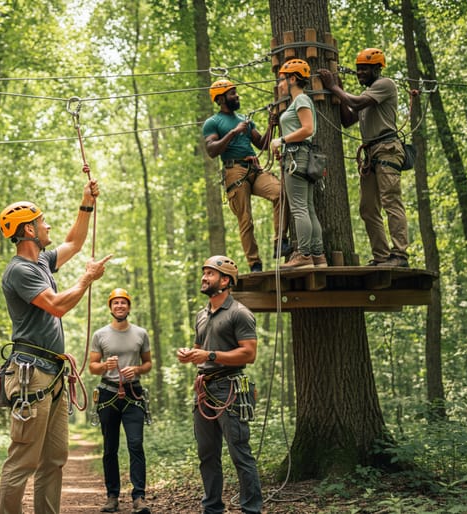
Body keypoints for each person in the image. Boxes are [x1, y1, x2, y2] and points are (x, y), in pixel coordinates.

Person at [0, 175, 112, 514]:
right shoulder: (20, 271)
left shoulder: (42, 263)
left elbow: (74, 243)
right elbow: (57, 305)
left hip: (53, 374)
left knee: (54, 459)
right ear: (29, 230)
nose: (47, 226)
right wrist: (86, 279)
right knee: (22, 460)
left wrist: (85, 202)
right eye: (42, 221)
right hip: (32, 375)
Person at [177, 256, 262, 514]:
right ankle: (212, 508)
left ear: (225, 281)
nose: (204, 278)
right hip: (204, 390)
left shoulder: (239, 313)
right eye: (204, 273)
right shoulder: (201, 315)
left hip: (230, 389)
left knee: (240, 453)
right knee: (207, 454)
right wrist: (190, 354)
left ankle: (251, 509)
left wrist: (210, 356)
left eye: (210, 274)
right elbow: (200, 349)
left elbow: (249, 354)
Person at [317, 48, 409, 267]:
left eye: (365, 69)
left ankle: (400, 255)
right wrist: (338, 94)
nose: (360, 73)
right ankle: (382, 256)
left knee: (391, 202)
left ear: (378, 68)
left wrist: (333, 87)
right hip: (371, 154)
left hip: (387, 149)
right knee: (368, 208)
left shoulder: (384, 85)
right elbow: (348, 119)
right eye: (358, 70)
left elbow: (356, 103)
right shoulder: (368, 95)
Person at [203, 79, 290, 273]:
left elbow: (262, 143)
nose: (237, 96)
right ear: (221, 98)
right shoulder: (213, 122)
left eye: (235, 92)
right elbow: (211, 150)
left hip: (254, 168)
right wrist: (234, 133)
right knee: (245, 219)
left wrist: (271, 126)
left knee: (281, 193)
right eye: (232, 93)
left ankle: (280, 242)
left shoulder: (244, 119)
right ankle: (255, 264)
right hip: (234, 171)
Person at [89, 288, 152, 514]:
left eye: (123, 303)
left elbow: (148, 364)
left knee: (136, 444)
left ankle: (139, 497)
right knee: (110, 448)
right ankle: (112, 496)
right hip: (108, 394)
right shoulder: (100, 335)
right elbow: (92, 366)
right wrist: (104, 366)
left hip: (133, 394)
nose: (119, 306)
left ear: (129, 307)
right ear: (110, 307)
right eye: (115, 303)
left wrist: (136, 369)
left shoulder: (141, 333)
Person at [270, 59, 327, 269]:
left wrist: (282, 140)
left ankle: (303, 255)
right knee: (308, 208)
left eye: (282, 80)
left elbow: (308, 129)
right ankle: (318, 255)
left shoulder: (301, 100)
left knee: (299, 209)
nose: (279, 85)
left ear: (292, 78)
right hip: (299, 156)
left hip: (296, 157)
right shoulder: (300, 101)